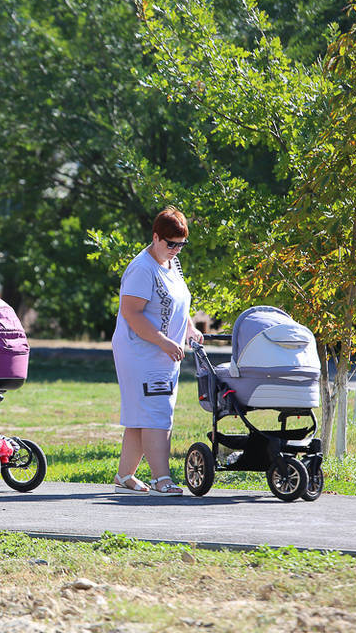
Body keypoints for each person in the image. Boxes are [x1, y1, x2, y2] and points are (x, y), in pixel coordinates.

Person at [111, 208, 203, 497]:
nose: (176, 250)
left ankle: (125, 475)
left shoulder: (170, 265)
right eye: (170, 243)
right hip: (142, 353)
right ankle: (161, 479)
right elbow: (132, 313)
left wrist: (189, 328)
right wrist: (163, 341)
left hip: (163, 353)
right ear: (155, 237)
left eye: (181, 244)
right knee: (156, 415)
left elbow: (177, 302)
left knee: (142, 416)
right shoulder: (143, 268)